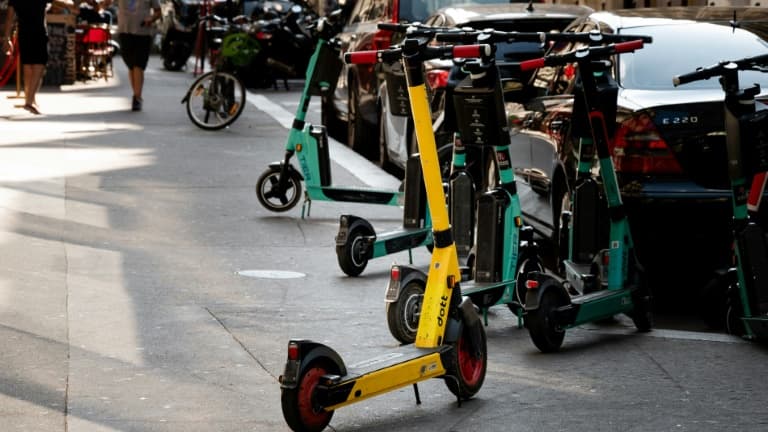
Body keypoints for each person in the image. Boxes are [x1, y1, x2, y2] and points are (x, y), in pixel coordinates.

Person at [2, 0, 79, 114]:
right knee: (39, 66)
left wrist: (6, 38)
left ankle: (30, 99)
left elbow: (9, 18)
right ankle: (29, 102)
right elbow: (58, 1)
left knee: (28, 66)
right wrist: (70, 5)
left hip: (24, 33)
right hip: (39, 33)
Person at [101, 0, 161, 111]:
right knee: (131, 65)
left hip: (142, 32)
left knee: (138, 64)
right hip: (125, 31)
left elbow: (158, 12)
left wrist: (151, 18)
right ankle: (136, 95)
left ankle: (137, 97)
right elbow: (106, 3)